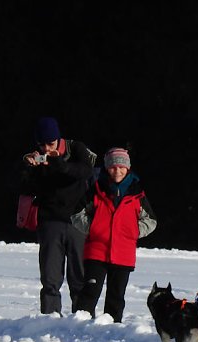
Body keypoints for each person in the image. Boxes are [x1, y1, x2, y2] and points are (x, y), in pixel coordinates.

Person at [19, 116, 96, 315]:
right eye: (42, 144)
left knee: (78, 278)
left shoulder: (76, 148)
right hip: (50, 221)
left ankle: (80, 320)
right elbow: (27, 187)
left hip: (77, 221)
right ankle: (50, 320)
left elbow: (85, 171)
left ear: (59, 139)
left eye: (50, 143)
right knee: (50, 278)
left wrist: (59, 163)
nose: (46, 148)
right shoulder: (37, 157)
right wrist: (30, 169)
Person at [72, 147, 157, 322]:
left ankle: (112, 330)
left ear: (128, 168)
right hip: (96, 251)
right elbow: (76, 214)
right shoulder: (96, 189)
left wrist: (133, 231)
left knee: (116, 297)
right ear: (106, 168)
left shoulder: (137, 193)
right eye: (112, 167)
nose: (117, 171)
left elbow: (151, 221)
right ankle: (78, 327)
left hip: (123, 254)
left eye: (121, 167)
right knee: (89, 293)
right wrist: (94, 228)